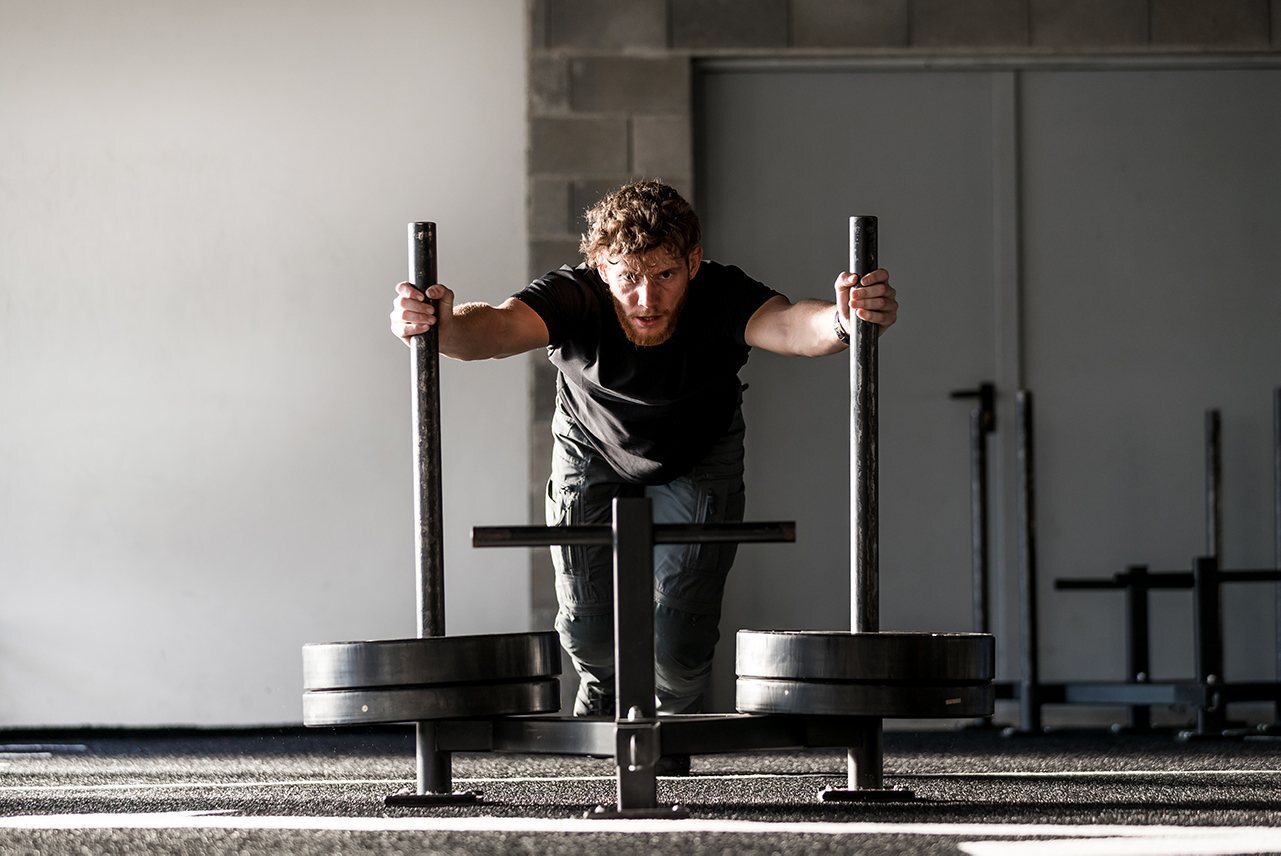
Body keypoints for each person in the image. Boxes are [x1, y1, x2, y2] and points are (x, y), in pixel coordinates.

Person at [389, 180, 897, 718]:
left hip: (701, 448)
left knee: (679, 641)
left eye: (665, 275)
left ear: (693, 263)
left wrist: (845, 320)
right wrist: (438, 327)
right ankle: (604, 690)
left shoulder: (722, 294)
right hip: (591, 442)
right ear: (602, 269)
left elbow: (793, 325)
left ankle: (670, 714)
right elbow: (492, 330)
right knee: (586, 630)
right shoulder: (574, 296)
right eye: (629, 278)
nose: (647, 299)